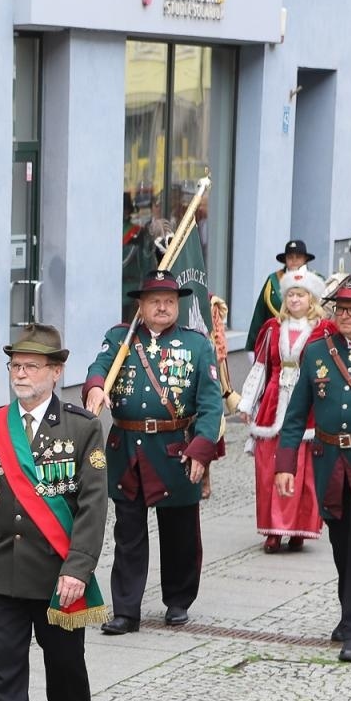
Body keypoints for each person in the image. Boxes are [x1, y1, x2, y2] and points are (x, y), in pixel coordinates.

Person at [0, 326, 107, 701]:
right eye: (15, 366)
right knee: (3, 667)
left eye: (31, 367)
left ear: (55, 372)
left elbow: (92, 507)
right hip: (4, 567)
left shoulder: (81, 428)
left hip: (56, 573)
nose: (21, 374)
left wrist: (77, 569)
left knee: (64, 664)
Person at [84, 269, 224, 633]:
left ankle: (178, 600)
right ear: (141, 306)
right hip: (127, 448)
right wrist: (95, 388)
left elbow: (210, 404)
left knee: (180, 533)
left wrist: (202, 449)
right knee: (128, 534)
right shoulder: (120, 338)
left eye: (169, 301)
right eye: (155, 301)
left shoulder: (197, 345)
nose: (163, 307)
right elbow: (98, 368)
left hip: (175, 448)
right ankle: (126, 610)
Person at [275, 277, 351, 663]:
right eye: (340, 308)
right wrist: (285, 464)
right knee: (342, 542)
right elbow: (295, 416)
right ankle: (350, 613)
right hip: (329, 461)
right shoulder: (316, 353)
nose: (343, 316)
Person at [243, 268, 331, 552]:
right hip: (273, 402)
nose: (295, 300)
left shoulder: (323, 331)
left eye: (300, 295)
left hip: (308, 407)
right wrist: (247, 403)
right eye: (290, 295)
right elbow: (260, 367)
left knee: (304, 470)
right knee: (270, 466)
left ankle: (298, 529)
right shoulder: (271, 328)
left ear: (311, 299)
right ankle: (272, 531)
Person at [244, 239, 316, 349]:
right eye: (290, 257)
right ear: (285, 260)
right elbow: (260, 314)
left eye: (298, 257)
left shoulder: (316, 281)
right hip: (275, 341)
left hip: (308, 341)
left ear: (305, 259)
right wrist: (253, 346)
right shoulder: (273, 280)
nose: (294, 260)